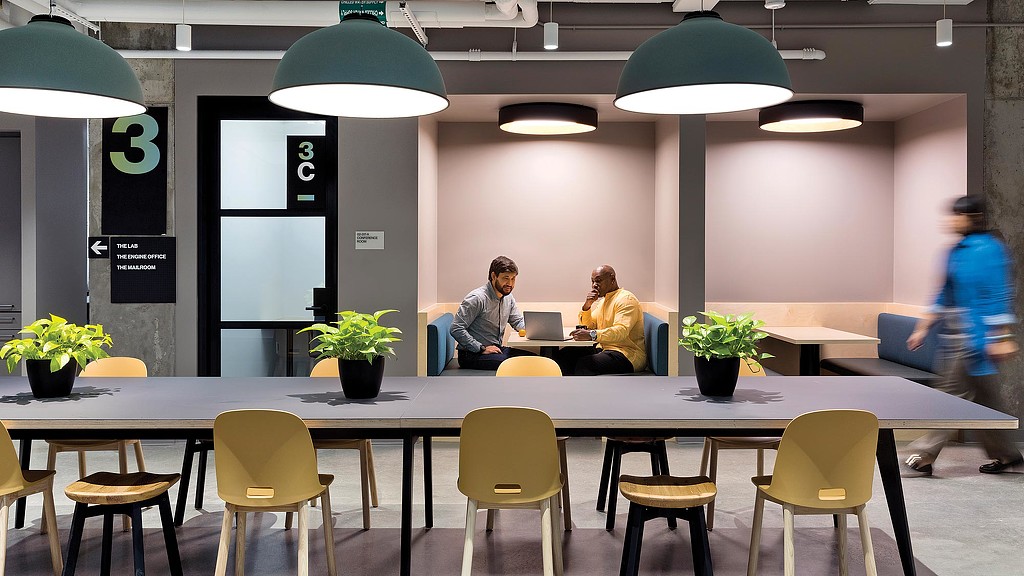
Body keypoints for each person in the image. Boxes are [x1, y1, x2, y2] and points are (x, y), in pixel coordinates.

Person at [903, 196, 1022, 476]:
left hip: (975, 338)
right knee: (985, 399)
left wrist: (1001, 335)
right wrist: (923, 326)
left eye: (957, 215)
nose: (951, 220)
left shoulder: (990, 250)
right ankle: (1006, 454)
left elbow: (999, 294)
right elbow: (944, 292)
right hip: (955, 335)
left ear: (974, 217)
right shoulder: (955, 250)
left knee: (949, 393)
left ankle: (923, 455)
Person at [556, 265, 647, 376]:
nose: (594, 285)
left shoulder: (626, 299)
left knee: (585, 364)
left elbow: (621, 331)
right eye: (592, 281)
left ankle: (582, 392)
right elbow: (589, 326)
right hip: (605, 349)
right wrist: (587, 306)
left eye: (598, 281)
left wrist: (592, 335)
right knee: (564, 356)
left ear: (612, 279)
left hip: (627, 354)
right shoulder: (604, 301)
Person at [450, 256, 534, 370]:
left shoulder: (508, 298)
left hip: (496, 349)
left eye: (513, 279)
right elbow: (456, 328)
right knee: (517, 366)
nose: (510, 283)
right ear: (494, 276)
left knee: (535, 360)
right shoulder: (477, 298)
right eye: (506, 278)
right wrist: (481, 348)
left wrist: (536, 330)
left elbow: (517, 321)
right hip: (472, 354)